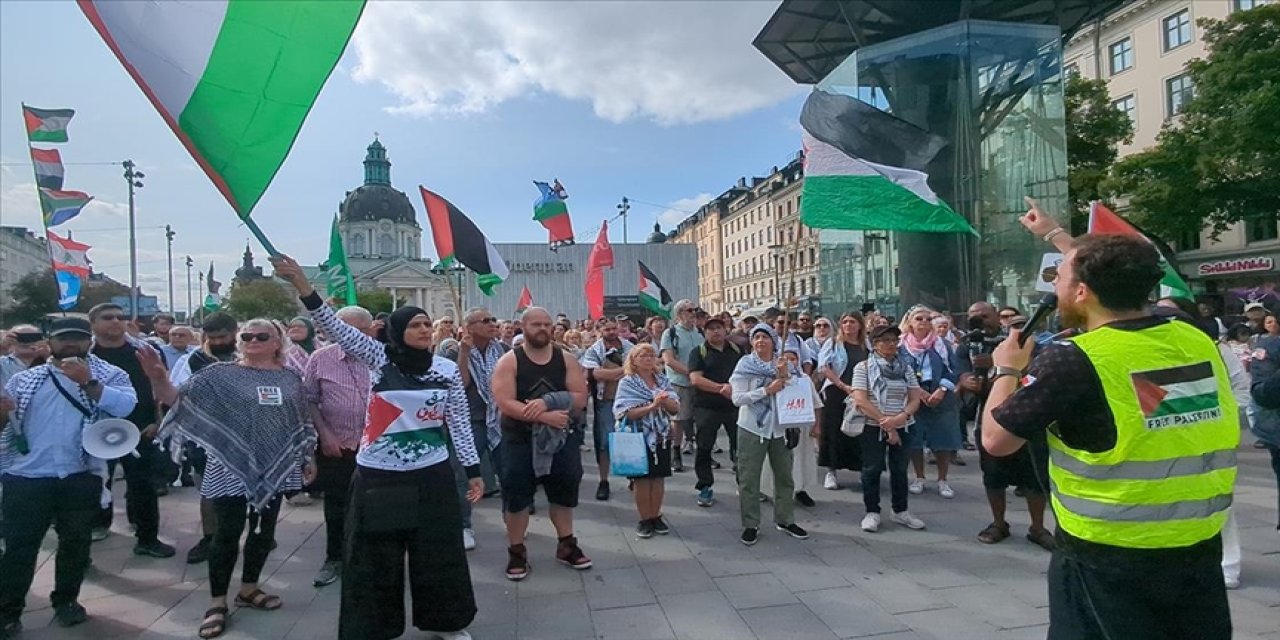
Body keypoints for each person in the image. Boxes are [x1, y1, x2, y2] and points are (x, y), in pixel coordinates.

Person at [983, 227, 1239, 639]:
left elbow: (996, 440)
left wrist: (1007, 368)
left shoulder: (1073, 360)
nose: (1055, 288)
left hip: (1107, 556)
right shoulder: (1194, 337)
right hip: (1198, 545)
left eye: (1059, 278)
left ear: (1082, 291)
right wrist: (1057, 235)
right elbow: (1116, 272)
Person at [274, 255, 482, 640]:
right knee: (375, 557)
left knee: (437, 553)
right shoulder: (378, 357)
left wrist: (472, 470)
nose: (424, 330)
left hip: (432, 475)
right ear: (398, 331)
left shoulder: (446, 370)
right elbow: (333, 326)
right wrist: (302, 284)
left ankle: (446, 623)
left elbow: (458, 423)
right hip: (380, 477)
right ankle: (373, 629)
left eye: (427, 324)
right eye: (415, 325)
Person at [143, 320, 315, 639]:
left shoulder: (291, 378)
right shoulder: (219, 374)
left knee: (263, 532)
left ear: (277, 342)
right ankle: (217, 602)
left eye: (261, 336)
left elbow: (300, 419)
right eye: (246, 336)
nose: (253, 340)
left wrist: (308, 457)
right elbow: (177, 399)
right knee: (226, 533)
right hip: (229, 464)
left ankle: (249, 589)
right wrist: (158, 378)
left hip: (275, 465)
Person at [0, 318, 138, 634]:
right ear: (49, 343)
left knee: (75, 543)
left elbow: (125, 407)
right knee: (20, 547)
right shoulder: (25, 379)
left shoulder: (110, 374)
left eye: (77, 338)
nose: (71, 344)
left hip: (80, 473)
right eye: (63, 338)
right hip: (27, 475)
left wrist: (88, 381)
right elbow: (7, 426)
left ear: (89, 341)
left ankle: (67, 601)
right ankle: (8, 610)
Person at [491, 307, 591, 581]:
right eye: (536, 324)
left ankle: (566, 544)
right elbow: (505, 402)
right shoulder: (510, 361)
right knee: (517, 496)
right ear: (523, 327)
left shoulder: (565, 358)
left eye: (547, 324)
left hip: (560, 438)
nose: (543, 329)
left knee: (564, 489)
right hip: (519, 439)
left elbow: (580, 396)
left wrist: (548, 402)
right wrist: (542, 416)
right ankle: (517, 550)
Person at [959, 301, 1056, 550]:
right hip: (988, 418)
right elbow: (961, 373)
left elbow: (1038, 370)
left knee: (1034, 477)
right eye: (974, 317)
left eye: (984, 315)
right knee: (993, 476)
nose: (980, 321)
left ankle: (1038, 527)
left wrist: (998, 366)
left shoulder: (1019, 342)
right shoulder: (966, 345)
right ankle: (998, 523)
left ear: (996, 315)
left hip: (1026, 415)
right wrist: (968, 380)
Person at [86, 303, 175, 557]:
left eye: (120, 317)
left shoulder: (145, 350)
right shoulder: (85, 354)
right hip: (96, 430)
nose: (116, 321)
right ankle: (98, 524)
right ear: (93, 324)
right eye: (108, 317)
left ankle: (147, 538)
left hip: (139, 426)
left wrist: (157, 420)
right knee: (95, 481)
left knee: (143, 485)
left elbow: (158, 385)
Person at [302, 306, 374, 586]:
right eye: (340, 329)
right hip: (337, 445)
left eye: (355, 330)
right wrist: (324, 433)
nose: (346, 335)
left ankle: (369, 559)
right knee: (336, 505)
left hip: (376, 448)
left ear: (370, 331)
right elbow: (309, 400)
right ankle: (335, 558)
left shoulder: (383, 357)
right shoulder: (320, 359)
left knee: (375, 505)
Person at [169, 312, 240, 565]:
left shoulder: (249, 355)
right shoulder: (193, 359)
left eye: (223, 337)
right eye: (213, 337)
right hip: (205, 435)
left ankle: (256, 532)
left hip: (244, 434)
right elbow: (176, 393)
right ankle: (210, 537)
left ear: (235, 332)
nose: (218, 342)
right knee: (208, 489)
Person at [730, 325, 809, 546]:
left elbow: (799, 390)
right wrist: (766, 390)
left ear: (774, 341)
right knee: (749, 478)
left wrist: (786, 375)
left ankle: (785, 519)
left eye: (765, 337)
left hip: (780, 427)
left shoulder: (784, 363)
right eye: (756, 337)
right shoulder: (745, 364)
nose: (760, 341)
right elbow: (738, 398)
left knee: (785, 476)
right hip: (751, 426)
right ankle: (751, 524)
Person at [443, 308, 509, 546]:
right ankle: (464, 526)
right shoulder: (452, 352)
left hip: (500, 419)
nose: (492, 324)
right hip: (471, 421)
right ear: (469, 327)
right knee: (463, 474)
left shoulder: (503, 350)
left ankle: (513, 519)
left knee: (509, 473)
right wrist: (464, 352)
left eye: (493, 320)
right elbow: (459, 385)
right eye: (485, 321)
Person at [851, 325, 926, 532]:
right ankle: (872, 511)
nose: (891, 344)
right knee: (872, 468)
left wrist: (901, 417)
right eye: (885, 340)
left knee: (900, 469)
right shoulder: (863, 368)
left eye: (894, 340)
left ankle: (900, 510)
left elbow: (914, 397)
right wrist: (886, 423)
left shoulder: (905, 368)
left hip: (903, 425)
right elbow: (861, 399)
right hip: (872, 425)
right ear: (875, 345)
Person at [613, 344, 679, 537]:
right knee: (642, 478)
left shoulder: (662, 380)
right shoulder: (627, 383)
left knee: (658, 477)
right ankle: (644, 519)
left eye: (651, 355)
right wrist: (652, 406)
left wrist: (665, 401)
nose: (648, 359)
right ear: (633, 360)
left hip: (661, 435)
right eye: (642, 356)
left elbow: (675, 408)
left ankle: (656, 515)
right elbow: (624, 413)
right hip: (638, 435)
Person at [898, 306, 961, 499]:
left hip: (940, 395)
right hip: (913, 396)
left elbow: (954, 369)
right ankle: (919, 477)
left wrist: (942, 389)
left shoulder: (942, 344)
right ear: (910, 322)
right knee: (915, 439)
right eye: (919, 318)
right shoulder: (901, 346)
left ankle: (943, 479)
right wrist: (917, 391)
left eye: (928, 319)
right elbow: (898, 370)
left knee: (943, 439)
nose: (924, 322)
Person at [688, 317, 742, 507]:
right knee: (704, 447)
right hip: (707, 406)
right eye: (711, 329)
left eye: (719, 327)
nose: (716, 331)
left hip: (734, 406)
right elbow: (695, 379)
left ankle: (744, 484)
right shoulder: (698, 352)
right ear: (704, 333)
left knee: (740, 447)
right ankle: (705, 486)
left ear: (726, 330)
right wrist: (721, 388)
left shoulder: (737, 350)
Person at [761, 347, 823, 508]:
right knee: (775, 460)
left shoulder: (804, 379)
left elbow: (816, 404)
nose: (789, 362)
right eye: (785, 359)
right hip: (777, 427)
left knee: (800, 459)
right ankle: (772, 490)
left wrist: (816, 426)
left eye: (793, 359)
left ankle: (800, 489)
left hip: (800, 426)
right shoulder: (771, 378)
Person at [581, 319, 633, 501]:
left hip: (630, 400)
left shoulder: (629, 347)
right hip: (605, 402)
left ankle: (633, 476)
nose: (611, 332)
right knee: (604, 443)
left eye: (613, 328)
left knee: (631, 439)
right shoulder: (594, 350)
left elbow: (640, 369)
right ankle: (604, 481)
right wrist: (625, 370)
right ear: (600, 331)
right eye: (607, 329)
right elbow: (595, 373)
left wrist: (612, 373)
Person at [817, 312, 867, 489]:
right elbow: (824, 367)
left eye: (852, 322)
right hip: (836, 391)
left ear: (860, 325)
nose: (848, 325)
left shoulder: (866, 344)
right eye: (845, 322)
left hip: (861, 391)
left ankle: (862, 470)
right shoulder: (833, 343)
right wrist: (842, 385)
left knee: (861, 431)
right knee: (833, 431)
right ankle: (831, 471)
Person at [660, 300, 704, 472]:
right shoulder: (670, 333)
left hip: (699, 383)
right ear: (679, 314)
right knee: (678, 420)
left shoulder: (700, 332)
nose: (693, 313)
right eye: (689, 310)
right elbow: (669, 360)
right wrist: (691, 372)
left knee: (702, 419)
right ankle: (676, 453)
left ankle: (704, 453)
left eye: (695, 310)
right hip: (679, 382)